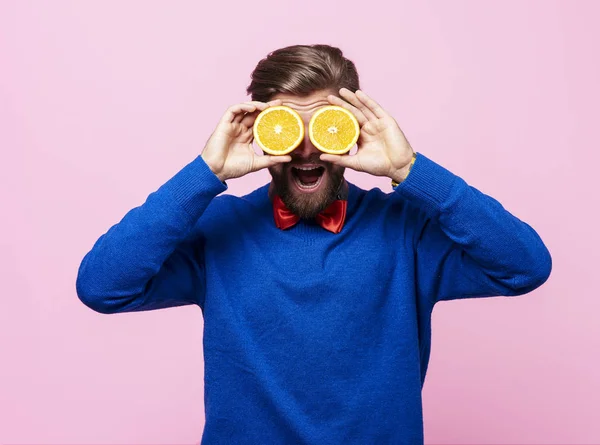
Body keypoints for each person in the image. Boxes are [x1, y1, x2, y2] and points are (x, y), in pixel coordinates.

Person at [76, 44, 552, 444]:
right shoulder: (218, 229)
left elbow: (526, 266)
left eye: (325, 125)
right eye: (287, 126)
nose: (306, 148)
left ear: (353, 128)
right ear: (260, 130)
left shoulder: (408, 230)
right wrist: (204, 175)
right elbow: (101, 286)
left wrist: (412, 171)